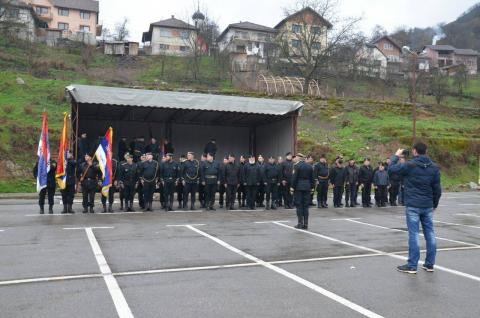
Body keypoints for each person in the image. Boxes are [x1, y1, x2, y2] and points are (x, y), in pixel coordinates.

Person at [389, 142, 441, 274]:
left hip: (413, 204)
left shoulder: (410, 165)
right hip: (427, 205)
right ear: (426, 151)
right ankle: (430, 264)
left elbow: (392, 169)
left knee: (414, 234)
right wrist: (434, 204)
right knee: (430, 234)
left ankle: (412, 265)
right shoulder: (434, 167)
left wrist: (396, 156)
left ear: (414, 151)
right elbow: (437, 189)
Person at [292, 153, 315, 230]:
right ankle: (306, 224)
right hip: (307, 187)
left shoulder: (297, 166)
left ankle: (300, 223)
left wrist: (292, 187)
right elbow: (312, 178)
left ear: (299, 158)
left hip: (299, 187)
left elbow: (294, 178)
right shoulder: (310, 166)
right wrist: (312, 187)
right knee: (306, 206)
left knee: (299, 205)